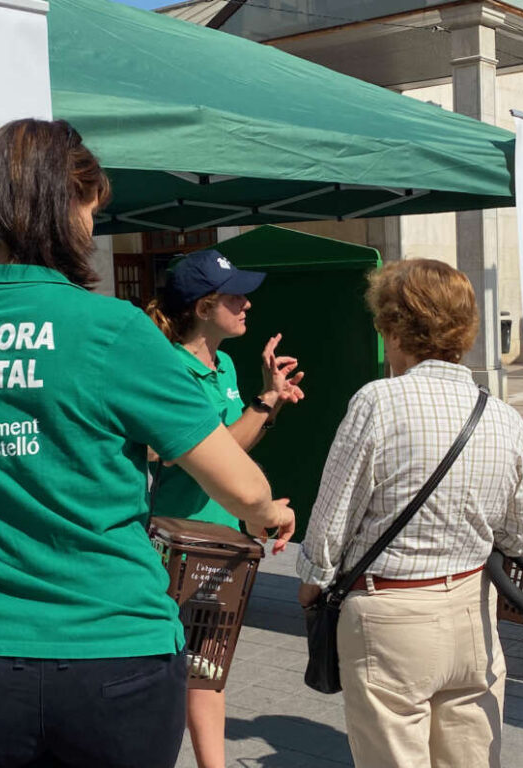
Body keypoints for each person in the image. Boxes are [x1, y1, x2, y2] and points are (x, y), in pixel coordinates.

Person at [0, 118, 295, 768]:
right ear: (63, 206)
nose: (91, 227)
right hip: (110, 654)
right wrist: (271, 513)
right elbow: (239, 483)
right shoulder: (111, 328)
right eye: (89, 208)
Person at [297, 259, 523, 768]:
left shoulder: (377, 402)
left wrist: (313, 583)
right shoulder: (499, 414)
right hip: (472, 611)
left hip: (391, 614)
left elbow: (328, 527)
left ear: (392, 325)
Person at [146, 249, 305, 768]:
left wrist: (268, 398)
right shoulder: (165, 366)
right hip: (175, 546)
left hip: (222, 542)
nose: (247, 305)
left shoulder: (225, 364)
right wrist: (262, 405)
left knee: (208, 670)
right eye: (235, 296)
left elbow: (230, 454)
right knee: (171, 674)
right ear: (202, 305)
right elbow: (198, 455)